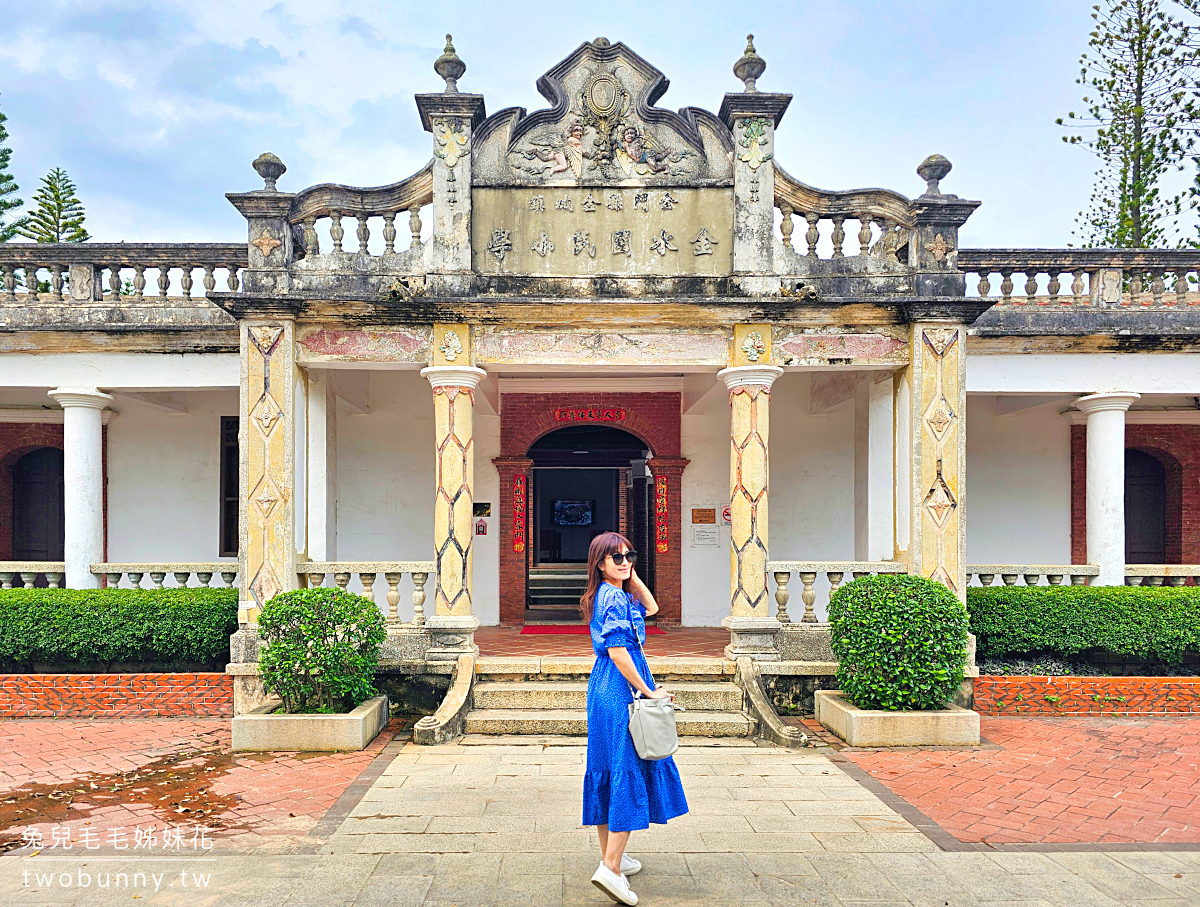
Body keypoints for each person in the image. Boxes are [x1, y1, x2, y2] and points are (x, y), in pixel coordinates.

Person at [581, 531, 688, 905]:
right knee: (627, 771)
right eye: (616, 557)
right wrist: (647, 690)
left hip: (604, 689)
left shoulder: (612, 592)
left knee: (609, 768)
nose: (625, 561)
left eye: (630, 555)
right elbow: (617, 651)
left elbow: (653, 607)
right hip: (620, 687)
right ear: (600, 563)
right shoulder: (611, 597)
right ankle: (610, 869)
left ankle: (614, 856)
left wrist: (630, 575)